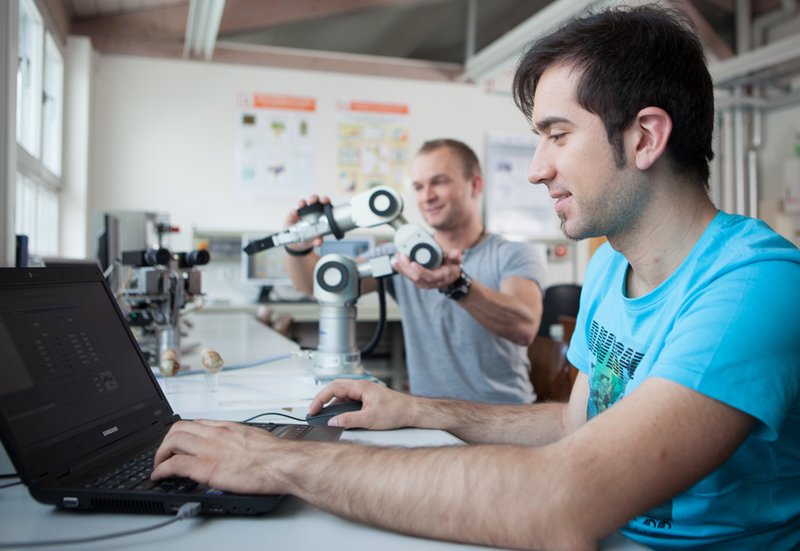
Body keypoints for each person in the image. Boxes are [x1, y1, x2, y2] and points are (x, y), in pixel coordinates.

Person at [153, 5, 800, 550]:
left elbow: (561, 498)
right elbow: (579, 424)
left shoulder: (754, 285)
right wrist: (416, 408)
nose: (539, 168)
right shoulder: (611, 266)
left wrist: (275, 460)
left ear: (645, 137)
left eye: (557, 135)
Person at [283, 138, 546, 404]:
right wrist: (298, 246)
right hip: (431, 417)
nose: (427, 196)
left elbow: (524, 327)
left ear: (475, 185)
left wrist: (458, 284)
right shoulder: (403, 254)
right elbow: (317, 283)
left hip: (503, 418)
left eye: (439, 182)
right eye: (419, 187)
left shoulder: (512, 254)